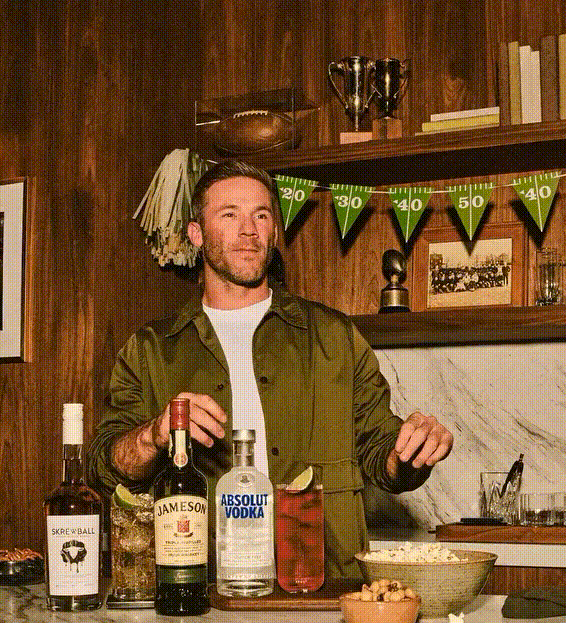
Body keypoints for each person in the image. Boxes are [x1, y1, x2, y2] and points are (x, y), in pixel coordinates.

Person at [87, 159, 453, 578]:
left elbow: (381, 452)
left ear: (274, 232)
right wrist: (153, 434)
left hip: (322, 590)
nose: (248, 230)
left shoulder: (333, 336)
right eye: (229, 215)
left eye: (261, 215)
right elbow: (104, 468)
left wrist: (413, 451)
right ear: (196, 234)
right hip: (202, 591)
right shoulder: (150, 349)